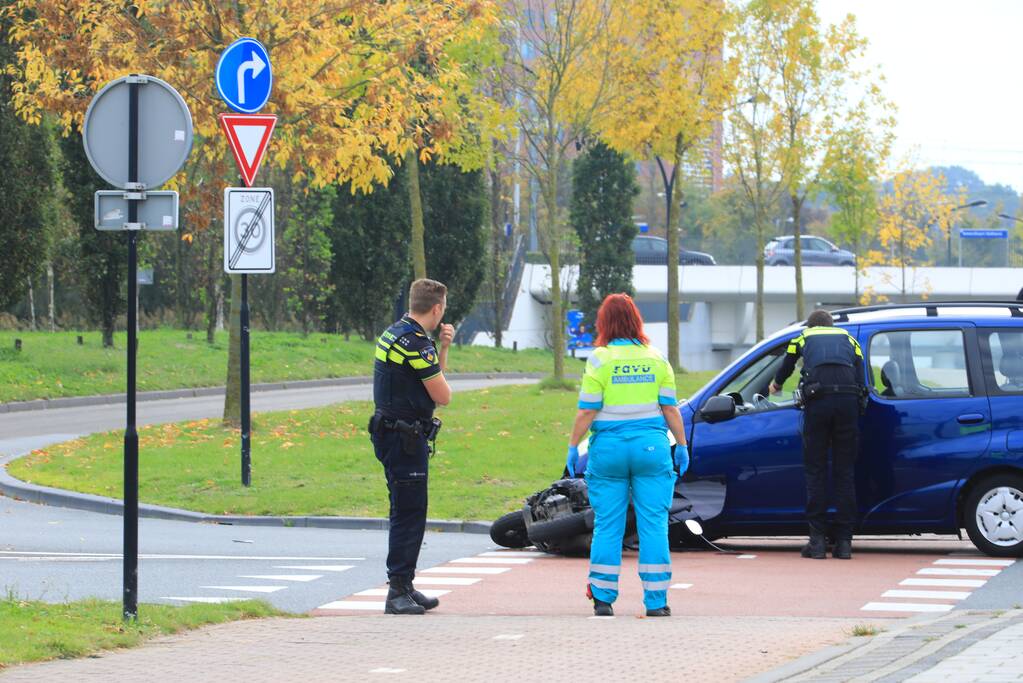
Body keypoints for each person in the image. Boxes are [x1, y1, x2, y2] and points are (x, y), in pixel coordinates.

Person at [566, 293, 689, 617]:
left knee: (608, 525)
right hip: (652, 448)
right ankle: (657, 602)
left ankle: (604, 597)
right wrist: (682, 445)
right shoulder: (656, 358)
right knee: (653, 524)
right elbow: (670, 408)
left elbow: (587, 411)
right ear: (636, 321)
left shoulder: (600, 359)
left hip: (609, 452)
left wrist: (571, 445)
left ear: (604, 323)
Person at [369, 278, 454, 614]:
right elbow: (442, 395)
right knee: (409, 513)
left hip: (391, 432)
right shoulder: (417, 344)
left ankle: (405, 584)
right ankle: (398, 590)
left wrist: (443, 348)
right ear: (436, 308)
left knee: (404, 509)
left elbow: (429, 379)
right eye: (443, 309)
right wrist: (435, 350)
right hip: (405, 437)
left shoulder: (395, 332)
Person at [769, 309, 865, 560]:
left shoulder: (803, 337)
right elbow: (862, 379)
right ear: (831, 325)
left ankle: (818, 543)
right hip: (848, 404)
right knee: (845, 473)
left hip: (818, 404)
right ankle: (845, 544)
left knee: (816, 471)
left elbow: (786, 365)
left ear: (811, 326)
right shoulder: (850, 339)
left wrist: (776, 385)